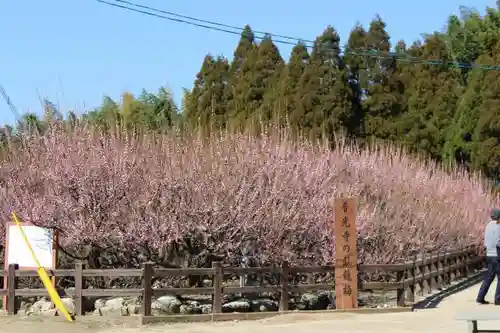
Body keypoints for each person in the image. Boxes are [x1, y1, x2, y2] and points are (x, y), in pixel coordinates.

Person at [477, 208, 500, 305]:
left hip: (489, 254)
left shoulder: (488, 226)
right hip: (497, 254)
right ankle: (498, 299)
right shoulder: (498, 226)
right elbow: (498, 242)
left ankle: (480, 297)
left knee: (489, 277)